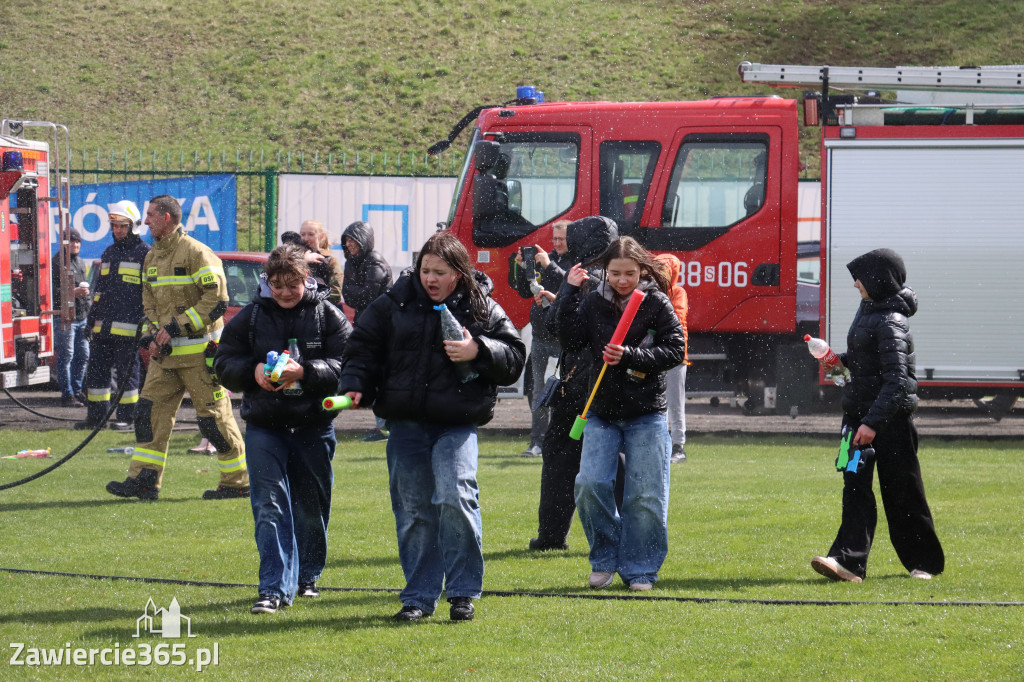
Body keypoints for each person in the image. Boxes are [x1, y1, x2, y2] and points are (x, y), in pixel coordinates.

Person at [338, 232, 525, 623]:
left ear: (459, 273)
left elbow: (514, 356)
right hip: (405, 424)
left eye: (440, 272)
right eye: (425, 270)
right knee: (413, 511)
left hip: (456, 424)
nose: (431, 279)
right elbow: (361, 349)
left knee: (455, 497)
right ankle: (419, 597)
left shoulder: (481, 307)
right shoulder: (393, 304)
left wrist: (480, 350)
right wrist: (354, 385)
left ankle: (462, 592)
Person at [215, 244, 352, 614]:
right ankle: (273, 588)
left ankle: (307, 576)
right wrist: (252, 372)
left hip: (313, 426)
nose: (285, 292)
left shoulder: (329, 316)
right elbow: (223, 361)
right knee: (268, 506)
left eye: (293, 283)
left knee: (311, 507)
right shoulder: (252, 316)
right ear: (267, 282)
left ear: (306, 280)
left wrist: (305, 372)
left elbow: (350, 367)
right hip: (265, 427)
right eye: (277, 284)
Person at [558, 236, 685, 591]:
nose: (622, 280)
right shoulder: (592, 301)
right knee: (590, 484)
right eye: (615, 273)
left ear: (643, 270)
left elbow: (675, 349)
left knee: (645, 495)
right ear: (605, 271)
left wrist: (630, 355)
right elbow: (569, 339)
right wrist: (568, 294)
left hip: (647, 413)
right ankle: (605, 557)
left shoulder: (657, 302)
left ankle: (640, 569)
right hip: (600, 411)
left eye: (629, 273)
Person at [811, 248, 944, 583]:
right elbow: (862, 364)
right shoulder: (868, 309)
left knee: (902, 491)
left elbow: (897, 383)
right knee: (853, 486)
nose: (856, 284)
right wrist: (833, 360)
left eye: (860, 277)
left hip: (889, 425)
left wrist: (872, 423)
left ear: (878, 280)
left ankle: (924, 562)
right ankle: (848, 563)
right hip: (855, 420)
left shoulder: (892, 322)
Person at [105, 195, 249, 501]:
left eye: (150, 215)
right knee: (148, 415)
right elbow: (147, 302)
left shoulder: (197, 252)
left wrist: (174, 328)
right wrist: (153, 332)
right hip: (165, 358)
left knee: (213, 421)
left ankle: (236, 483)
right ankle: (144, 480)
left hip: (200, 356)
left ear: (167, 217)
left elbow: (217, 301)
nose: (145, 221)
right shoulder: (152, 256)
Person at [529, 216, 618, 551]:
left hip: (579, 385)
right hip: (609, 387)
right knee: (612, 465)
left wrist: (562, 294)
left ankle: (552, 535)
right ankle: (621, 539)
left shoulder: (582, 277)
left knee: (560, 459)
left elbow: (559, 328)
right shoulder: (615, 277)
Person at [76, 201, 150, 431]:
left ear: (134, 226)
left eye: (122, 226)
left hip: (129, 330)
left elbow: (148, 294)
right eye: (114, 225)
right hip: (103, 328)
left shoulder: (145, 254)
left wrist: (146, 327)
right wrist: (91, 321)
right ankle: (96, 417)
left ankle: (127, 418)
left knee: (128, 377)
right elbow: (100, 292)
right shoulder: (109, 252)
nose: (117, 230)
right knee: (97, 375)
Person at [511, 219, 573, 457]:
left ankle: (561, 440)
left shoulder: (577, 260)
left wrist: (548, 267)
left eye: (561, 239)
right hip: (540, 335)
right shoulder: (547, 258)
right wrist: (522, 268)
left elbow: (570, 286)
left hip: (564, 339)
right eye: (554, 239)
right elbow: (526, 290)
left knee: (563, 391)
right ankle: (537, 441)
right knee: (538, 390)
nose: (556, 244)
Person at [340, 220, 394, 443]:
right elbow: (352, 296)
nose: (349, 245)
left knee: (380, 372)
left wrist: (354, 293)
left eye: (353, 240)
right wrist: (355, 293)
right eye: (347, 241)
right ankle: (383, 425)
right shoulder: (352, 262)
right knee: (370, 370)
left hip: (381, 325)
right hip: (366, 321)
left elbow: (366, 297)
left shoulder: (375, 261)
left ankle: (384, 427)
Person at [653, 253, 690, 463]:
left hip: (675, 355)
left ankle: (678, 445)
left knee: (674, 402)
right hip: (656, 353)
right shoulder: (654, 292)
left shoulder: (677, 292)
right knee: (659, 400)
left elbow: (676, 319)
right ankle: (665, 443)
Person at [52, 228, 91, 407]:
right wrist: (72, 292)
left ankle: (77, 391)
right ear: (64, 243)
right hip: (65, 317)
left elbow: (85, 291)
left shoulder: (81, 263)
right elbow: (51, 293)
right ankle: (67, 395)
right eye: (72, 241)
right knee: (66, 356)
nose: (75, 244)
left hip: (82, 317)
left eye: (78, 242)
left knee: (83, 355)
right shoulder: (56, 263)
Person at [298, 220, 344, 309]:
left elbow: (336, 294)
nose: (306, 238)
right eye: (303, 234)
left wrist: (309, 299)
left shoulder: (331, 261)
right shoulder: (294, 259)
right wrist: (303, 261)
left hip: (323, 313)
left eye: (311, 234)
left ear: (321, 236)